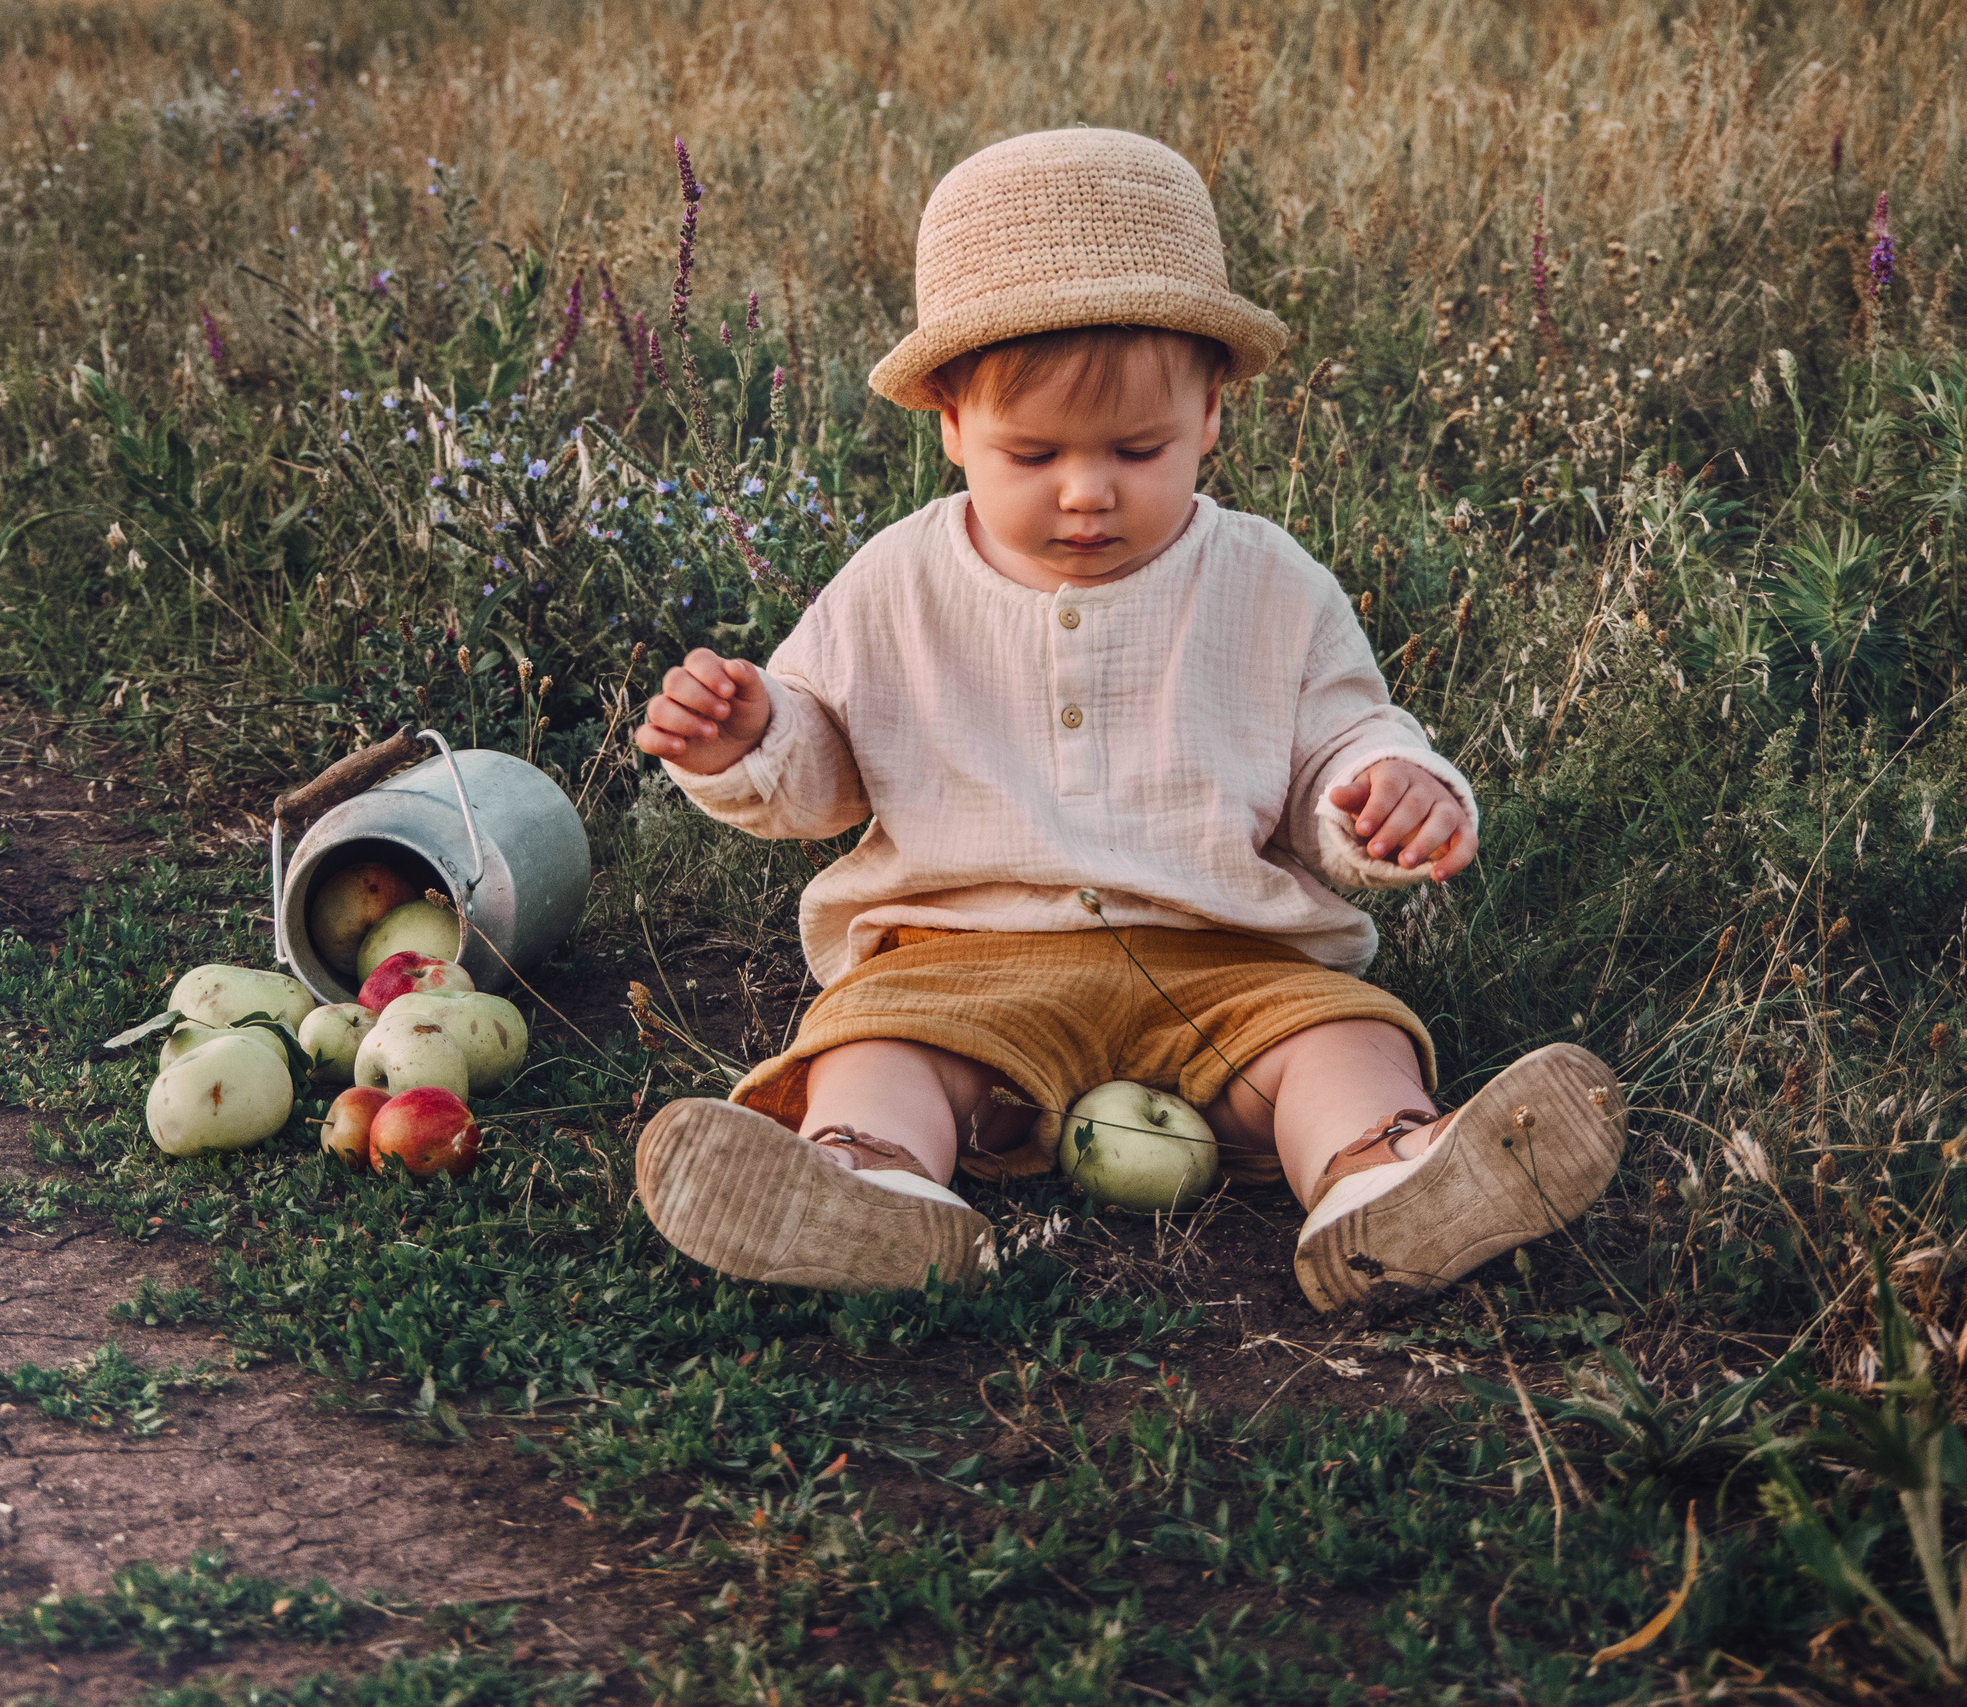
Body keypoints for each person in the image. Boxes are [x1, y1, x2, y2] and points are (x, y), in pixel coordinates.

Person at [628, 128, 1625, 1309]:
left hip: (1227, 962)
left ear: (1212, 412)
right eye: (1031, 451)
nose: (1086, 490)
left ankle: (1384, 1179)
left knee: (1339, 1042)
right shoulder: (896, 580)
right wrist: (752, 736)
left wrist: (1387, 791)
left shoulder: (1268, 582)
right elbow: (824, 774)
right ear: (948, 423)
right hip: (964, 962)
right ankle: (867, 1184)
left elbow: (1340, 745)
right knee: (879, 1047)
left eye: (1138, 449)